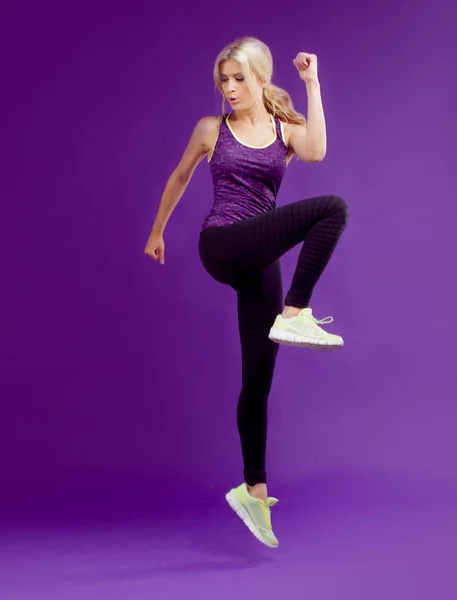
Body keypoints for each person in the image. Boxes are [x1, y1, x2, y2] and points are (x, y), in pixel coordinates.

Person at [143, 37, 349, 548]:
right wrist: (156, 231)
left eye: (239, 79)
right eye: (224, 81)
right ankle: (296, 311)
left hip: (260, 257)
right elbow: (180, 174)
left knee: (257, 380)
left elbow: (318, 152)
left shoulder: (285, 129)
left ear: (260, 79)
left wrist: (312, 83)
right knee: (332, 208)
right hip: (223, 243)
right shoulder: (212, 129)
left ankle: (253, 493)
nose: (229, 89)